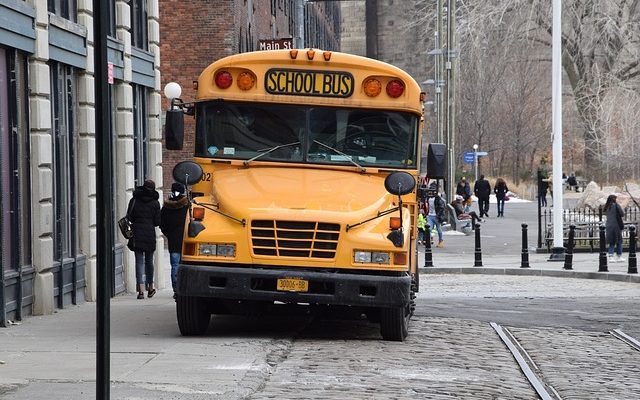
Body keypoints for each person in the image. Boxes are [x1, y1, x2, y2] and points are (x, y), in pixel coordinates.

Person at [127, 179, 161, 299]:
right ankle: (150, 287)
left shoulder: (134, 200)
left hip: (136, 233)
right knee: (149, 262)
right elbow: (157, 222)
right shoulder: (155, 203)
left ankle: (141, 290)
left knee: (139, 261)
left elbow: (129, 217)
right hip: (150, 234)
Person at [160, 182, 189, 299]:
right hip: (186, 240)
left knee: (175, 266)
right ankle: (184, 288)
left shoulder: (166, 207)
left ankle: (176, 289)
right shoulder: (187, 206)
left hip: (173, 241)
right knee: (186, 265)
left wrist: (169, 234)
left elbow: (162, 224)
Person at [604, 194, 625, 263]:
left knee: (611, 242)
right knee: (618, 241)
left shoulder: (607, 207)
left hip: (609, 225)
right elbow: (622, 214)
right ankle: (619, 256)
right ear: (614, 199)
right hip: (616, 226)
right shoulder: (616, 205)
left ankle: (611, 256)